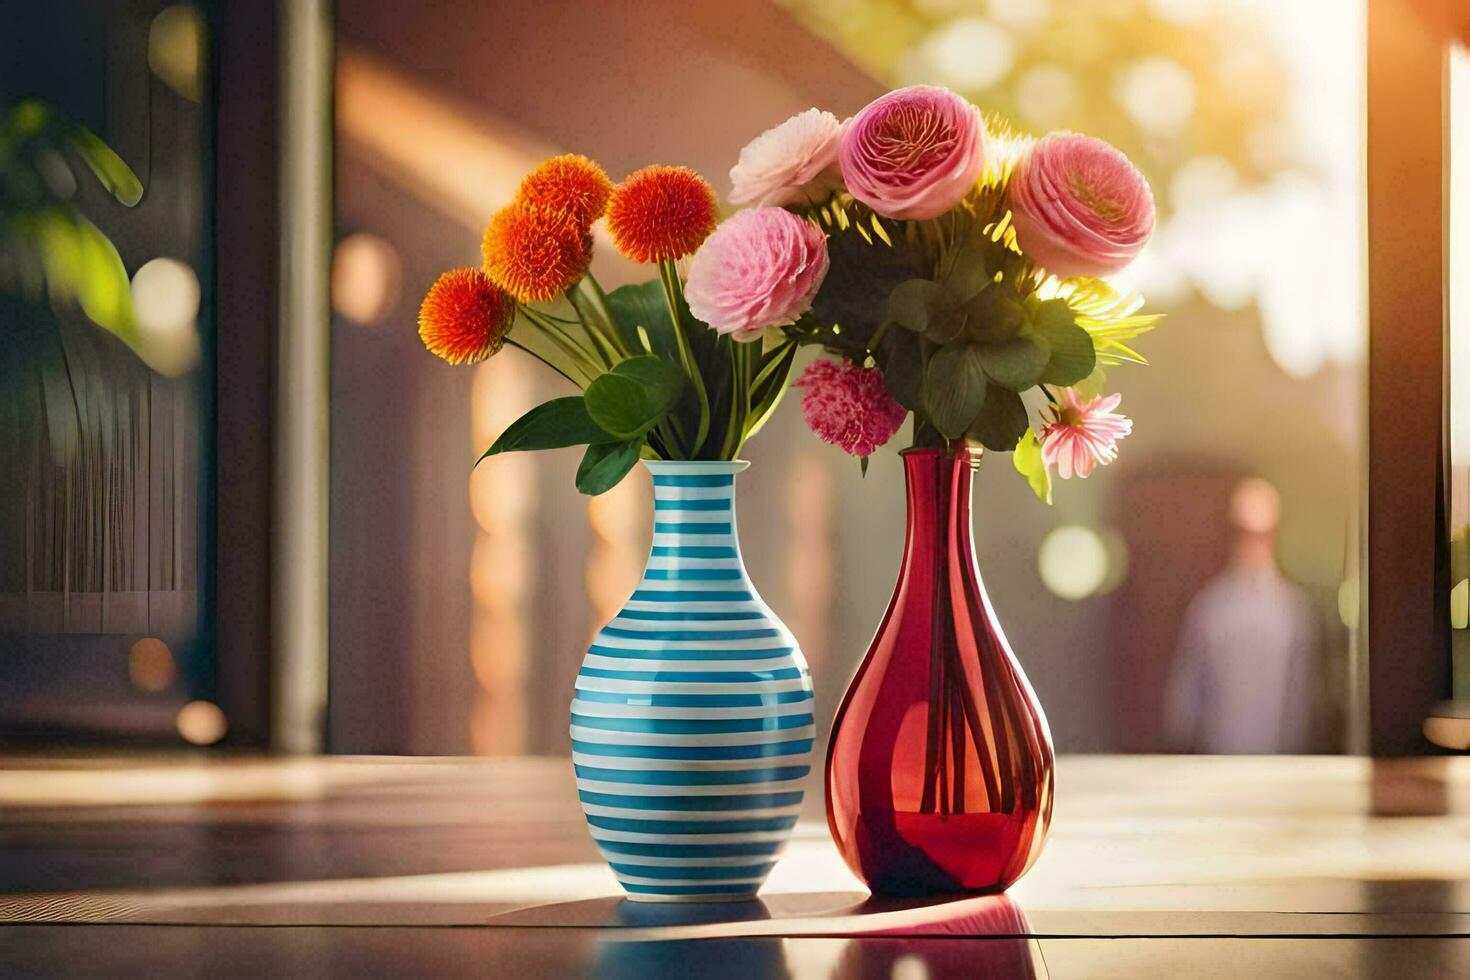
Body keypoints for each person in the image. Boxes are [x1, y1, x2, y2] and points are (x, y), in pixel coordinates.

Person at [1164, 478, 1320, 753]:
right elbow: (1187, 691)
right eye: (1245, 533)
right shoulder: (1211, 607)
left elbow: (1302, 696)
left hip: (1278, 763)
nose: (1253, 543)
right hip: (1219, 761)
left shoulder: (1294, 610)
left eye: (1261, 534)